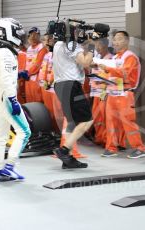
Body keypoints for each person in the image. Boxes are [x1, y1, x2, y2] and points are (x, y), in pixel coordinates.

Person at [0, 18, 31, 182]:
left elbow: (2, 75)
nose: (19, 37)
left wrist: (18, 74)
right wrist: (13, 101)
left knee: (1, 136)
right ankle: (9, 167)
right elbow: (6, 79)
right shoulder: (6, 53)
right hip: (6, 98)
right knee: (25, 132)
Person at [98, 31, 145, 159]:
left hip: (125, 94)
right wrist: (102, 84)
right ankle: (111, 147)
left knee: (128, 122)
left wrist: (108, 69)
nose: (115, 42)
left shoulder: (130, 57)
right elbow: (109, 76)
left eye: (119, 39)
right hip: (112, 93)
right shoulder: (114, 58)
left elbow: (125, 74)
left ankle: (139, 148)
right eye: (114, 39)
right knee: (110, 123)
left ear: (126, 41)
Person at [52, 24, 94, 169]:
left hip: (60, 85)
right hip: (71, 86)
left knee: (72, 122)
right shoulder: (72, 45)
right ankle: (63, 150)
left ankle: (67, 159)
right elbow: (85, 62)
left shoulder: (58, 45)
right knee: (86, 121)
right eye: (76, 31)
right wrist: (91, 47)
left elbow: (77, 62)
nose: (79, 33)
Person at [18, 27, 47, 103]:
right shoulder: (29, 48)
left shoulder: (42, 48)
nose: (33, 37)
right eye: (31, 35)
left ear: (39, 36)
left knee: (37, 100)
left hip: (37, 79)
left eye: (35, 35)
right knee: (29, 99)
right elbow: (27, 63)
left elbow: (38, 64)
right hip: (28, 79)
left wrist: (27, 72)